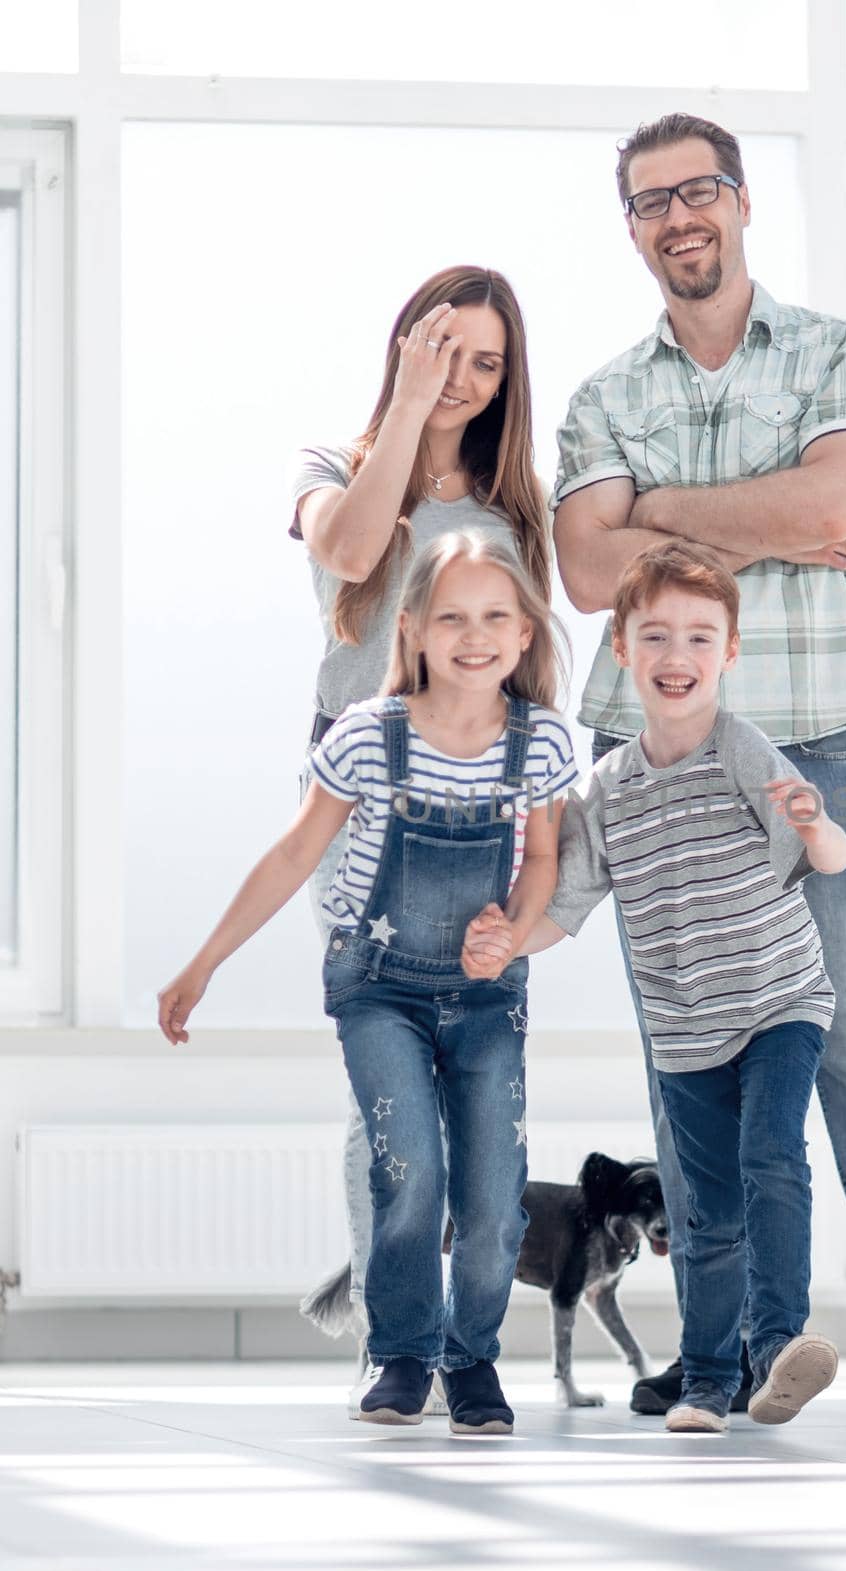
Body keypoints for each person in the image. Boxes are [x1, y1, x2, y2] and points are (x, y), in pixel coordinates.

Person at [549, 112, 846, 1419]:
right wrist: (768, 515)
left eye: (697, 192)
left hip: (812, 754)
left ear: (739, 203)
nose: (677, 218)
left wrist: (662, 518)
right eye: (649, 203)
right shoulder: (602, 397)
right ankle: (720, 1346)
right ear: (630, 228)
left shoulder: (834, 354)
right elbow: (583, 572)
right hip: (658, 768)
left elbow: (830, 508)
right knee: (689, 1063)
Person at [158, 531, 577, 1434]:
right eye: (453, 617)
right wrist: (203, 963)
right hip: (377, 986)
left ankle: (473, 1361)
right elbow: (293, 852)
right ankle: (402, 1352)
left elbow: (542, 858)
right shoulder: (367, 735)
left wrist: (508, 933)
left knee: (495, 1191)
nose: (476, 635)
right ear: (415, 628)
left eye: (496, 616)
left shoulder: (540, 742)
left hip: (484, 995)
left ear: (526, 632)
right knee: (410, 1168)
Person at [467, 541, 846, 1433]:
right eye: (658, 637)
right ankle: (710, 1383)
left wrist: (818, 822)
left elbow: (829, 859)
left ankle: (779, 1343)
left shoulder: (745, 751)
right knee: (704, 1211)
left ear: (730, 653)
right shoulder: (604, 789)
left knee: (771, 1160)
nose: (679, 657)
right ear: (624, 651)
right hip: (685, 1034)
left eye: (700, 638)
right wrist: (506, 943)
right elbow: (568, 911)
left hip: (780, 1002)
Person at [289, 267, 551, 1331]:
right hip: (361, 800)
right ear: (407, 346)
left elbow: (534, 660)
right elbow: (352, 552)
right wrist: (409, 401)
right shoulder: (330, 470)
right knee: (384, 1074)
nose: (463, 380)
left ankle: (448, 1325)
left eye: (487, 363)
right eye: (446, 352)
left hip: (485, 810)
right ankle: (396, 1339)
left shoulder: (513, 509)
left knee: (477, 1078)